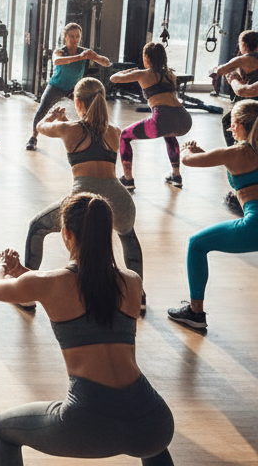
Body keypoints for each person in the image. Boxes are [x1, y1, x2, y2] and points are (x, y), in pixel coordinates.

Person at [0, 193, 190, 466]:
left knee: (4, 430)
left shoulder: (49, 284)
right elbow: (82, 292)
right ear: (107, 235)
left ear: (66, 235)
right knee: (152, 445)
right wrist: (28, 274)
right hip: (152, 419)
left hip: (88, 422)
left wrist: (1, 268)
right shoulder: (131, 281)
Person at [24, 78, 144, 311]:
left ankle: (27, 295)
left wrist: (54, 118)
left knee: (36, 228)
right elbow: (92, 133)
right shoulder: (114, 132)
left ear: (77, 102)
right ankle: (138, 297)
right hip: (119, 200)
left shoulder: (68, 129)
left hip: (85, 203)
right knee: (128, 237)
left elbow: (40, 126)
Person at [167, 99, 258, 332]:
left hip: (254, 225)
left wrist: (188, 149)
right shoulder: (237, 154)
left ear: (238, 124)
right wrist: (204, 153)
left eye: (232, 126)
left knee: (196, 244)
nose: (230, 130)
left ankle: (195, 313)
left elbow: (188, 161)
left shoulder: (237, 152)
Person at [109, 42, 192, 190]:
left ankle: (128, 179)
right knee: (169, 134)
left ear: (146, 57)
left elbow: (114, 78)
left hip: (162, 119)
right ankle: (176, 175)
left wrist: (128, 71)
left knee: (125, 136)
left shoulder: (143, 73)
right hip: (184, 119)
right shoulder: (171, 75)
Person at [26, 23, 111, 151]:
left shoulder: (84, 52)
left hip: (75, 88)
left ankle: (93, 138)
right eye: (71, 36)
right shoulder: (60, 51)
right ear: (65, 37)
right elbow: (57, 61)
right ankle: (33, 138)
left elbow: (107, 63)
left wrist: (96, 57)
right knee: (42, 109)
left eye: (77, 36)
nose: (75, 39)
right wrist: (80, 57)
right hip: (56, 86)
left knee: (91, 109)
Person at [213, 30, 258, 213]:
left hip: (251, 109)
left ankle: (240, 160)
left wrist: (229, 76)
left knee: (230, 124)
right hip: (251, 108)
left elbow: (240, 89)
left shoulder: (246, 58)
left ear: (244, 45)